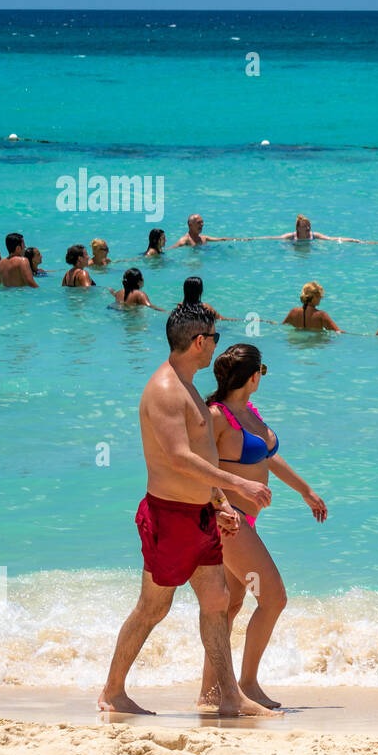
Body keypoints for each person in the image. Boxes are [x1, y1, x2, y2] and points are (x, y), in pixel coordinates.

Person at [97, 304, 277, 717]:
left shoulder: (189, 386)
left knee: (216, 599)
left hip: (198, 515)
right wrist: (237, 484)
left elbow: (200, 454)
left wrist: (218, 503)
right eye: (213, 338)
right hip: (169, 517)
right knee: (153, 607)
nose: (216, 344)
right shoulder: (165, 390)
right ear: (200, 341)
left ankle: (229, 696)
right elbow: (178, 457)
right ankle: (112, 691)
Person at [200, 343, 328, 709]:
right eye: (262, 372)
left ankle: (211, 693)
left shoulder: (250, 411)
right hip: (229, 522)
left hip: (246, 522)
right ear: (253, 376)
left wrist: (306, 491)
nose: (262, 377)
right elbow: (197, 464)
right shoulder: (217, 416)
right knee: (273, 598)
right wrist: (220, 504)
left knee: (230, 605)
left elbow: (270, 459)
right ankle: (248, 684)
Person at [251, 215, 356, 243]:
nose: (308, 228)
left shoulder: (314, 236)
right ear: (297, 228)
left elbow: (332, 239)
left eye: (308, 225)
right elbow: (272, 238)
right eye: (304, 226)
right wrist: (252, 239)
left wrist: (353, 240)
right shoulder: (291, 237)